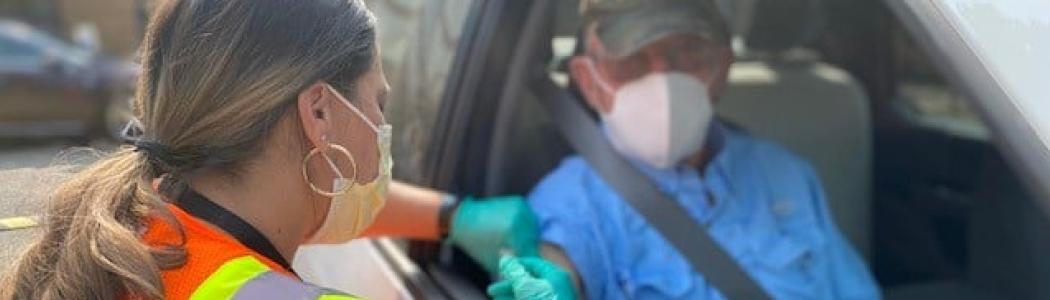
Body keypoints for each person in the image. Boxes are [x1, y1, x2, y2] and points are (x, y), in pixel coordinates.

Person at [0, 0, 535, 299]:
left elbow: (314, 196)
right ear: (320, 113)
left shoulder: (139, 226)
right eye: (378, 105)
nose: (380, 128)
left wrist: (455, 216)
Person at [500, 0, 881, 299]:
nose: (663, 78)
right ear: (588, 80)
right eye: (632, 60)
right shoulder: (571, 201)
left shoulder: (785, 174)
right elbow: (553, 270)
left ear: (722, 66)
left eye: (686, 53)